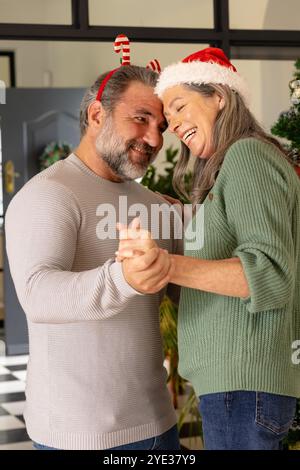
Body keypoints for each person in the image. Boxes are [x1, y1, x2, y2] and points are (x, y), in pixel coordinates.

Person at [116, 48, 300, 450]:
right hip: (235, 386)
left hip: (244, 384)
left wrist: (166, 265)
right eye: (170, 118)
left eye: (180, 107)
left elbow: (268, 273)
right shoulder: (228, 170)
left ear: (219, 95)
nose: (175, 125)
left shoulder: (247, 155)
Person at [5, 64, 182, 450]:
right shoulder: (48, 195)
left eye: (162, 126)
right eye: (141, 119)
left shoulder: (153, 204)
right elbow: (37, 295)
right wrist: (124, 278)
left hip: (159, 422)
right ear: (97, 115)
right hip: (80, 434)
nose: (153, 137)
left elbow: (186, 289)